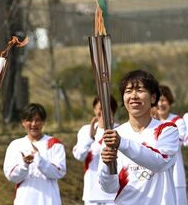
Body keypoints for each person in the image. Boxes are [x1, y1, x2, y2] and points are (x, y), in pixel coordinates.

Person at [99, 69, 179, 205]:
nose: (134, 96)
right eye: (128, 91)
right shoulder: (114, 135)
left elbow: (160, 162)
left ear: (153, 97)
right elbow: (109, 188)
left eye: (140, 90)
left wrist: (122, 144)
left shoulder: (166, 130)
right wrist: (108, 166)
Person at [3, 103, 66, 205]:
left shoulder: (54, 144)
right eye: (29, 120)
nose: (33, 124)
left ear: (43, 122)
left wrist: (39, 159)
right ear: (23, 122)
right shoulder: (15, 145)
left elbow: (59, 172)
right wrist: (24, 165)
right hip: (24, 201)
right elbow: (11, 176)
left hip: (50, 201)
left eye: (37, 120)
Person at [72, 95, 118, 205]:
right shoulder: (85, 130)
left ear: (113, 111)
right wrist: (90, 138)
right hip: (92, 193)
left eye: (108, 109)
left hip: (113, 194)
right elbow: (79, 156)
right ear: (94, 109)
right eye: (100, 109)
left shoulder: (121, 130)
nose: (103, 113)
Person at [155, 84, 187, 205]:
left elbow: (179, 141)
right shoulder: (150, 122)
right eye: (158, 100)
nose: (160, 104)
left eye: (163, 100)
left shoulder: (177, 121)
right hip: (157, 176)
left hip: (175, 174)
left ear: (169, 101)